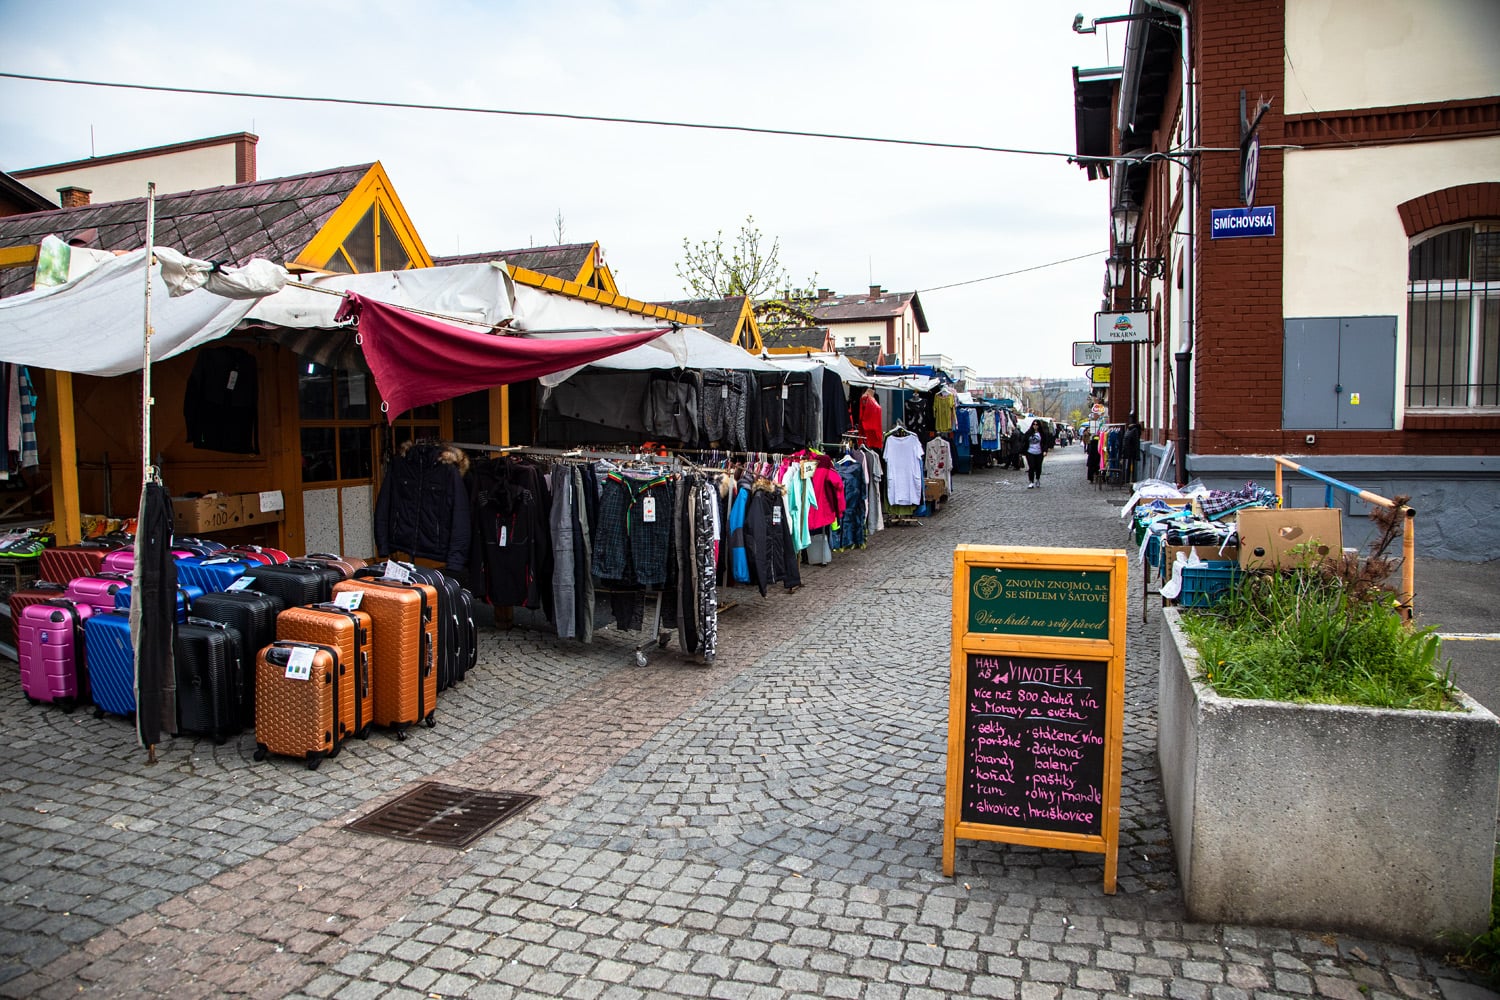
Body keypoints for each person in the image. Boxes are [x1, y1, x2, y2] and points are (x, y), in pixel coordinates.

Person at [1024, 418, 1046, 489]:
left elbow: (1045, 443)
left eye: (1037, 424)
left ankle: (1037, 479)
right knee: (1031, 467)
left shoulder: (1042, 434)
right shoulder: (1028, 433)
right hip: (1030, 452)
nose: (1035, 426)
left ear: (1039, 426)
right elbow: (1024, 441)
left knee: (1038, 467)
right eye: (1034, 424)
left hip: (1039, 452)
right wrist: (1024, 450)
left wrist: (1045, 450)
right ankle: (1031, 482)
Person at [1123, 412, 1143, 486]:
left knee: (1131, 467)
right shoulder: (1131, 429)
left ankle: (1130, 480)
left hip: (1131, 452)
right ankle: (1128, 480)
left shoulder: (1132, 430)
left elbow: (1135, 442)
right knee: (1129, 466)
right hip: (1130, 452)